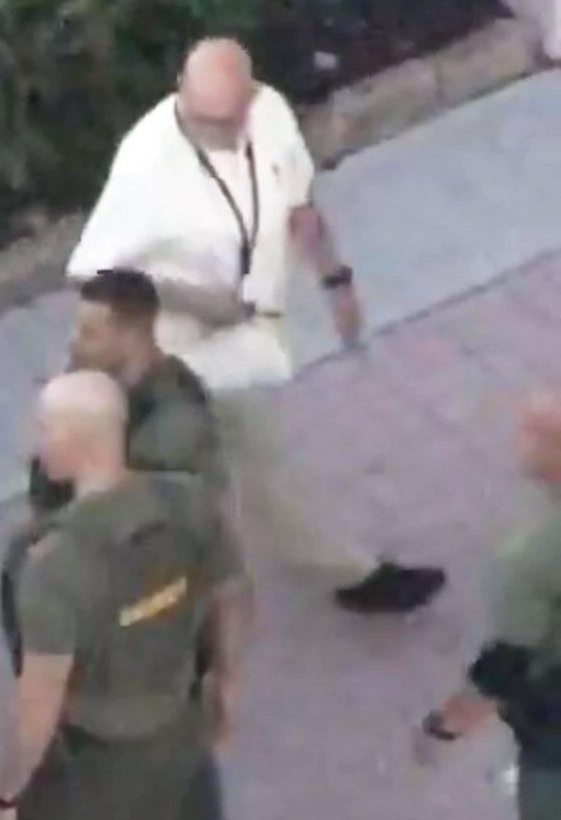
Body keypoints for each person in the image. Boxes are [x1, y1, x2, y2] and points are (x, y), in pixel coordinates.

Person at [67, 36, 444, 614]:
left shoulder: (265, 124)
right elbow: (97, 271)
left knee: (197, 465)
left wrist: (336, 278)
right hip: (166, 337)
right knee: (249, 463)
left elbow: (299, 209)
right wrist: (203, 303)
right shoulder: (148, 161)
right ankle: (350, 576)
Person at [0, 371, 250, 820]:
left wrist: (4, 794)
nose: (33, 442)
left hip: (86, 767)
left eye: (43, 429)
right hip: (170, 734)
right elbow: (230, 590)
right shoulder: (187, 504)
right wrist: (226, 681)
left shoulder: (55, 564)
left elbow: (38, 698)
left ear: (77, 440)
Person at [0, 268, 239, 820]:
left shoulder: (171, 431)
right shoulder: (109, 391)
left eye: (90, 330)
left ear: (133, 333)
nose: (76, 341)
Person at [414, 389, 561, 820]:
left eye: (530, 433)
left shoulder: (535, 554)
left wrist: (445, 725)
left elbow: (506, 664)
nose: (517, 442)